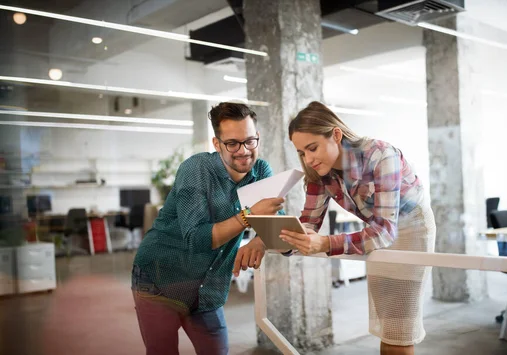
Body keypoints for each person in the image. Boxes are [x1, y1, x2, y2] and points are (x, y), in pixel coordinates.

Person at [281, 101, 436, 355]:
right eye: (301, 152)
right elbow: (309, 222)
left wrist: (324, 243)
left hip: (411, 228)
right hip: (375, 232)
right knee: (387, 321)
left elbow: (385, 230)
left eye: (312, 148)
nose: (308, 159)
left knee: (400, 324)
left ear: (336, 135)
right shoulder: (320, 171)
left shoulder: (381, 155)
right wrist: (277, 237)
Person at [131, 102, 284, 355]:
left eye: (250, 141)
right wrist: (249, 217)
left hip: (206, 287)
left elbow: (274, 219)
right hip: (160, 277)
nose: (244, 151)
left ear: (257, 137)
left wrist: (260, 239)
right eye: (232, 143)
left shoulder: (260, 170)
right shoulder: (196, 169)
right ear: (217, 144)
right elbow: (197, 238)